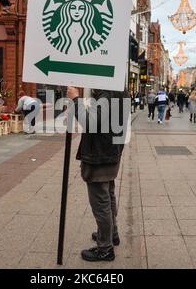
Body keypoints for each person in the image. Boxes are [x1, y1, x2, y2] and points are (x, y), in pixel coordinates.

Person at [67, 86, 128, 262]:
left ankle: (105, 249)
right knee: (108, 195)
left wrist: (75, 100)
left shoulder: (107, 91)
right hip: (110, 151)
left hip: (101, 154)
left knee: (101, 202)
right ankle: (111, 235)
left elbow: (91, 123)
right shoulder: (118, 87)